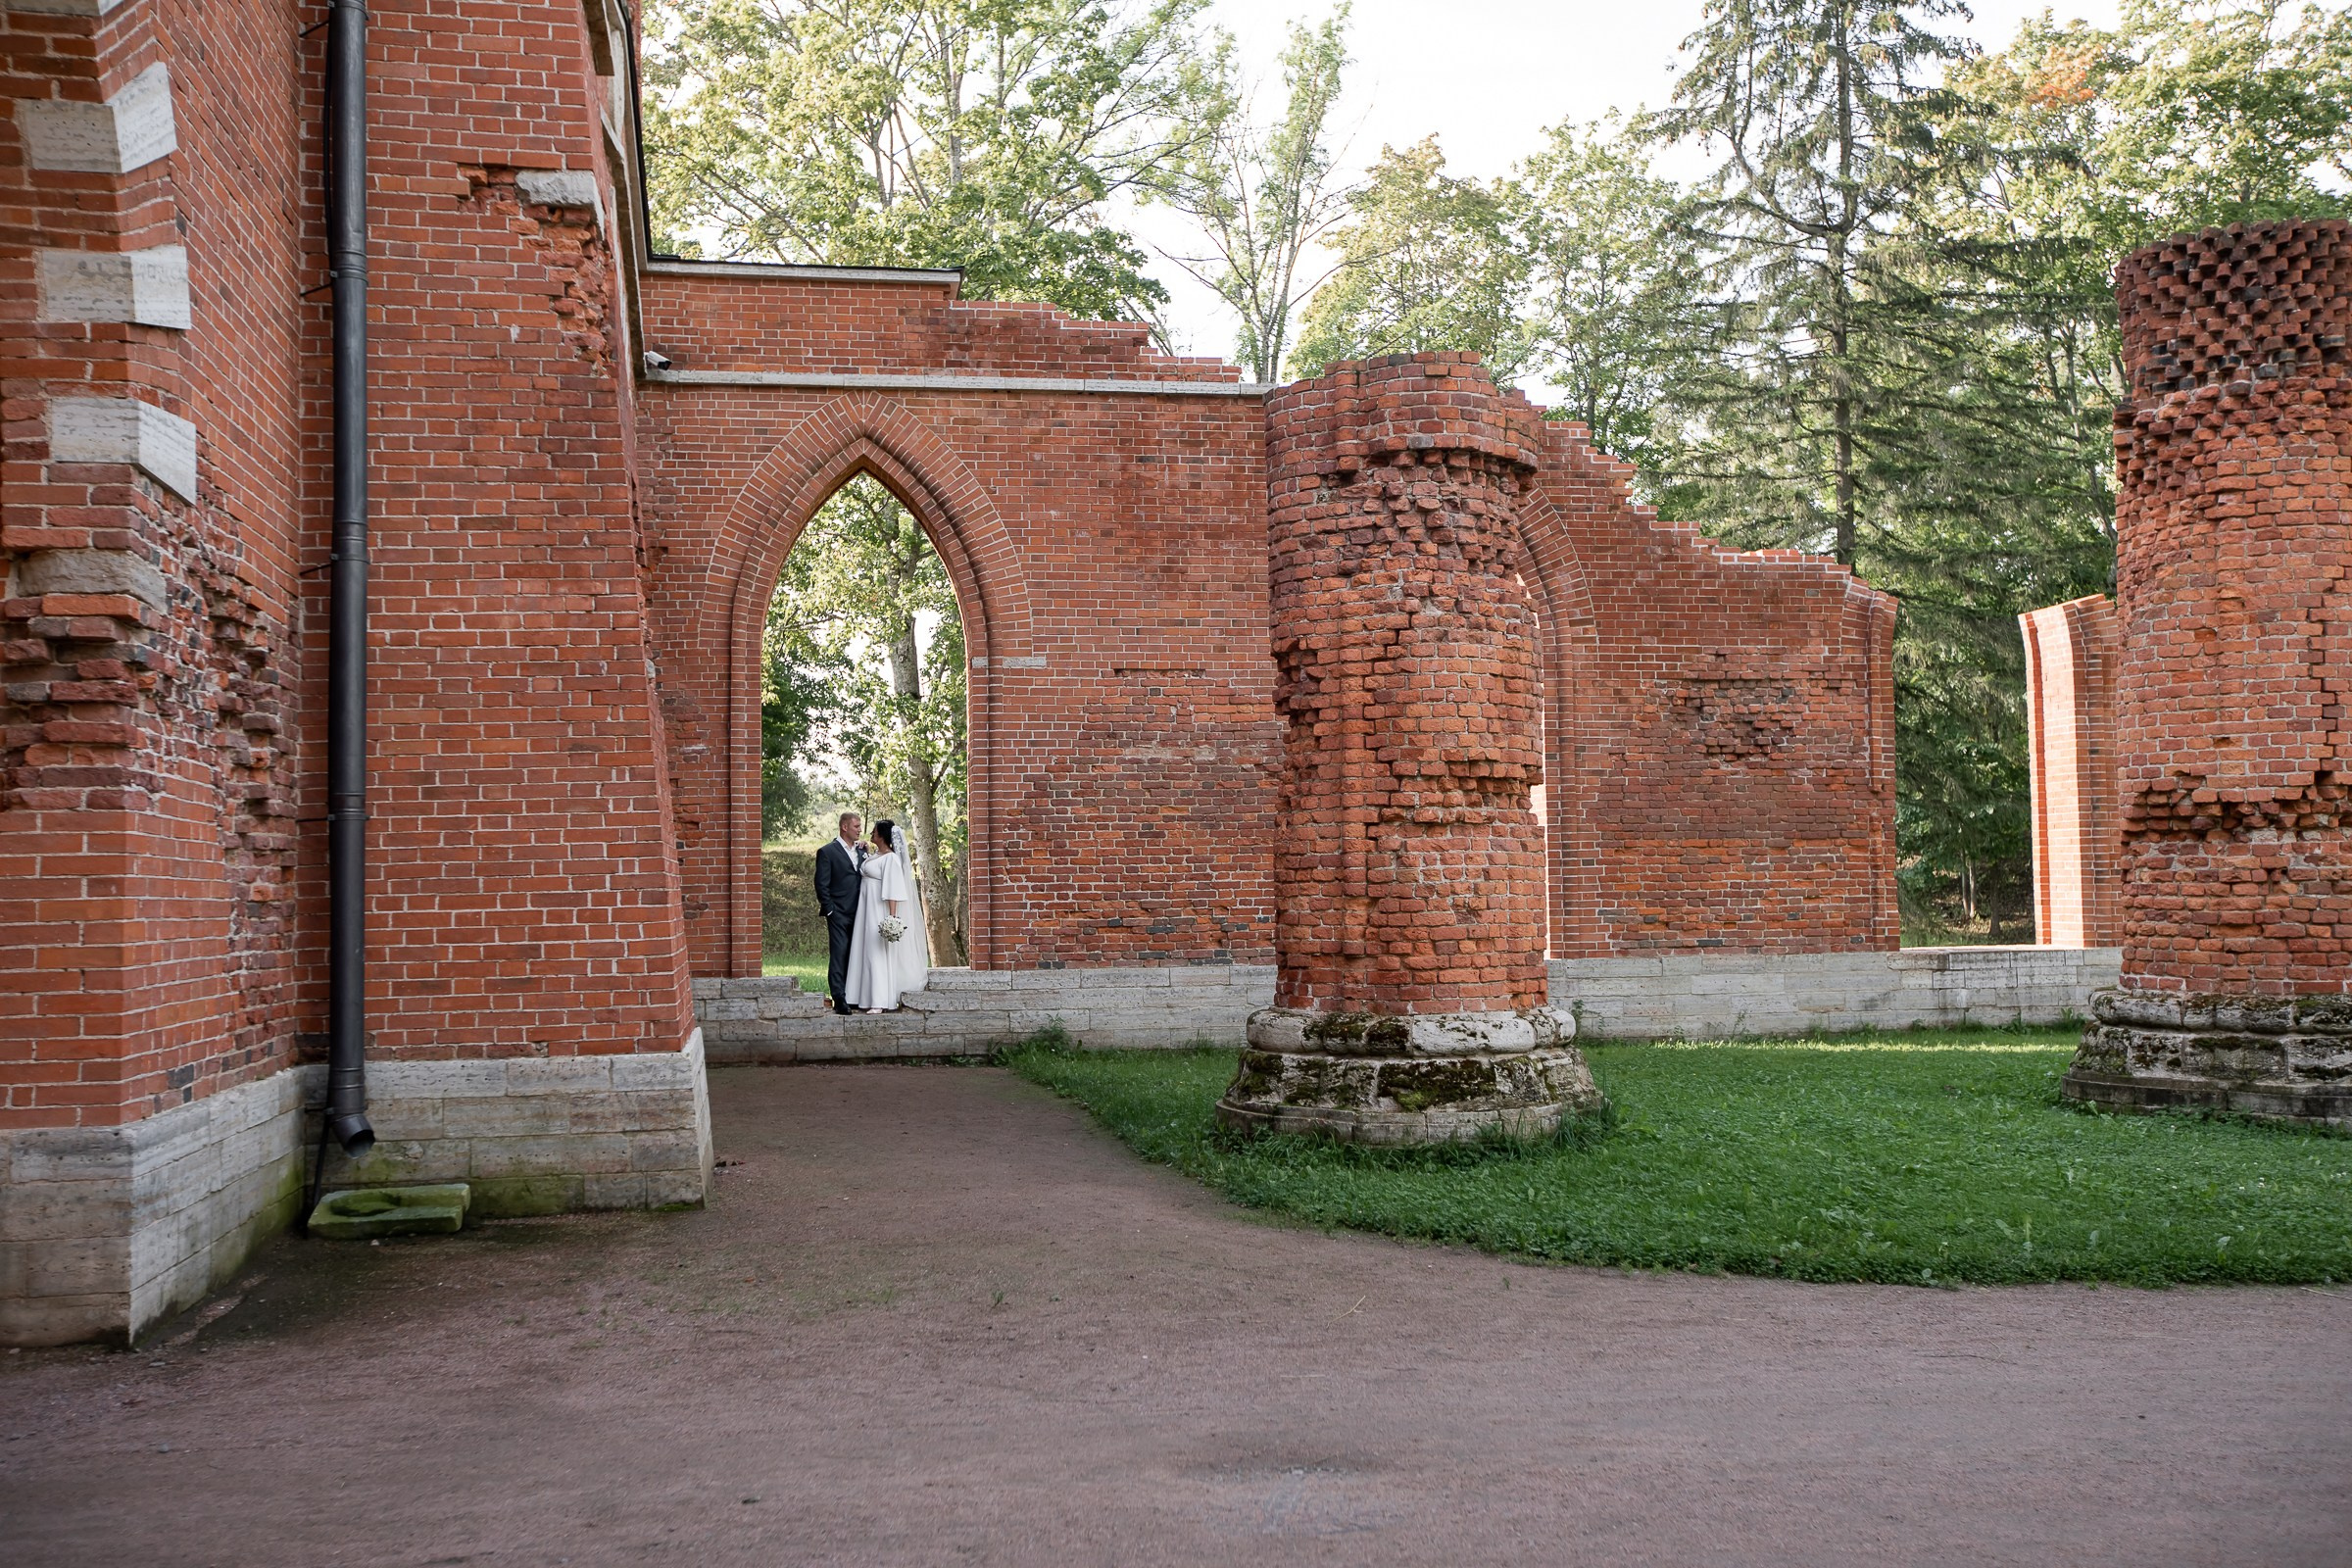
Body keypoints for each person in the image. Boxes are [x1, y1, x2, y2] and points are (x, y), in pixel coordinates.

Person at [843, 818, 931, 1012]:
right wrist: (863, 849)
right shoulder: (875, 856)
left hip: (877, 909)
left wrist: (892, 918)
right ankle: (860, 997)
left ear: (882, 835)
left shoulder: (891, 859)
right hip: (865, 910)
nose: (871, 834)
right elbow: (866, 865)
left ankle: (880, 1001)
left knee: (877, 954)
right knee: (864, 951)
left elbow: (893, 891)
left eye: (874, 831)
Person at [812, 811, 865, 1016]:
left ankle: (854, 996)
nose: (860, 829)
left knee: (856, 954)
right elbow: (821, 884)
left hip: (861, 913)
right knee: (839, 953)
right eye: (856, 826)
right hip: (838, 913)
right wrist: (831, 910)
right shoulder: (827, 852)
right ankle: (839, 998)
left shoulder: (862, 851)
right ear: (845, 827)